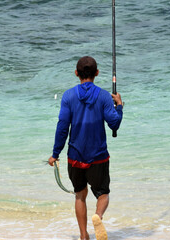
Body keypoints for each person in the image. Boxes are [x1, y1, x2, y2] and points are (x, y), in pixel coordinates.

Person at [48, 56, 123, 240]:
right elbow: (114, 124)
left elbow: (62, 127)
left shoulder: (68, 96)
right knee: (103, 193)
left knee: (80, 195)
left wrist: (55, 153)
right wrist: (119, 106)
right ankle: (98, 215)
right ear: (97, 73)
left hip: (75, 157)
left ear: (76, 73)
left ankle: (83, 235)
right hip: (98, 157)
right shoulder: (105, 96)